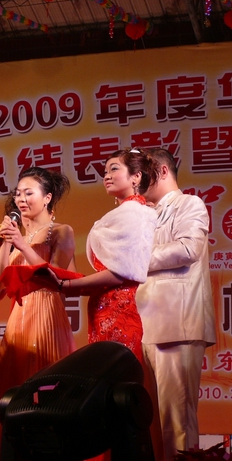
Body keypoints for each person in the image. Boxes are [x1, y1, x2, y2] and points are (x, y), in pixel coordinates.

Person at [0, 166, 79, 461]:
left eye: (29, 192)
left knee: (46, 399)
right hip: (18, 321)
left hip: (47, 316)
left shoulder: (61, 231)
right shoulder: (16, 234)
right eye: (18, 193)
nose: (20, 198)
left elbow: (56, 279)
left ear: (47, 198)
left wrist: (22, 243)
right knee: (14, 399)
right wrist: (8, 243)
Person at [136, 148, 216, 461]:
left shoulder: (189, 204)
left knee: (176, 418)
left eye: (143, 173)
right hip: (145, 322)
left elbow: (187, 248)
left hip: (177, 321)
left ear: (163, 171)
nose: (137, 180)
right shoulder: (142, 212)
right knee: (151, 420)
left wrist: (134, 260)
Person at [54, 149, 158, 362]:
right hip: (105, 305)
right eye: (105, 172)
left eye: (114, 169)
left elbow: (122, 272)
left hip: (121, 308)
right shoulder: (129, 212)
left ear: (136, 177)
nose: (107, 176)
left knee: (115, 370)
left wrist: (69, 285)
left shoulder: (134, 213)